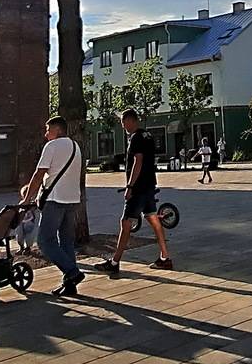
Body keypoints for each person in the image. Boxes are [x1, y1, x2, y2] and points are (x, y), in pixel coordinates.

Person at [97, 108, 173, 275]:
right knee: (153, 218)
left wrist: (130, 186)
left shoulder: (136, 138)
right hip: (149, 184)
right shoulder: (147, 135)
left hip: (138, 188)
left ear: (131, 120)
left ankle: (115, 262)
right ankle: (165, 257)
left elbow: (138, 161)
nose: (122, 126)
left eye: (123, 122)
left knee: (126, 223)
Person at [21, 116, 85, 297]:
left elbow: (39, 174)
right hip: (72, 200)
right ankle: (70, 285)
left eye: (48, 130)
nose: (46, 134)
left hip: (55, 200)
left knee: (45, 241)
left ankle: (72, 272)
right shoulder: (75, 146)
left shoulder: (52, 146)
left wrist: (27, 198)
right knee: (66, 242)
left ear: (57, 130)